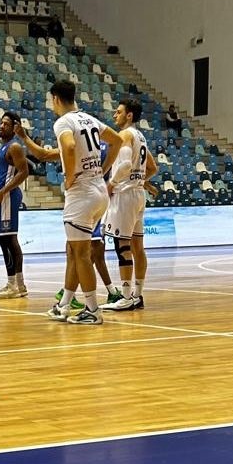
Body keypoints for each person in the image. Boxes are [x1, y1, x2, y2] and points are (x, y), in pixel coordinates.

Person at [17, 81, 122, 324]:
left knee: (81, 254)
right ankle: (64, 304)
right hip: (99, 192)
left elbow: (69, 146)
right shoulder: (89, 119)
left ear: (55, 98)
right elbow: (116, 141)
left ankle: (92, 310)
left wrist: (70, 175)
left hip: (82, 194)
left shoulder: (63, 122)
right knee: (74, 251)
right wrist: (104, 169)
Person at [100, 98, 159, 312]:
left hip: (124, 196)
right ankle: (137, 295)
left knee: (122, 245)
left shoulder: (125, 135)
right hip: (138, 195)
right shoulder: (140, 137)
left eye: (118, 112)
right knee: (138, 248)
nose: (114, 115)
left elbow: (125, 163)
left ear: (129, 115)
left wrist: (111, 184)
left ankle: (125, 297)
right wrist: (141, 181)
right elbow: (152, 167)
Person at [0, 112, 30, 299]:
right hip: (1, 198)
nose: (1, 126)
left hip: (8, 197)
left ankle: (14, 284)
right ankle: (18, 284)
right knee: (7, 240)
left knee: (8, 240)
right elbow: (0, 176)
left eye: (6, 124)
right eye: (1, 123)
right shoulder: (2, 148)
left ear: (15, 128)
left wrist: (1, 193)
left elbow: (24, 172)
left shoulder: (14, 147)